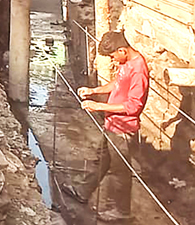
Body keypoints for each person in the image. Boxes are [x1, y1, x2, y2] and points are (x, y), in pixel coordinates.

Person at [61, 30, 150, 222]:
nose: (114, 61)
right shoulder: (126, 63)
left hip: (124, 129)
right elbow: (117, 84)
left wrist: (99, 106)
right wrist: (94, 91)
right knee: (100, 160)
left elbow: (134, 106)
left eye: (113, 56)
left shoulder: (139, 69)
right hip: (112, 124)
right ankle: (82, 191)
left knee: (120, 173)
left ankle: (121, 211)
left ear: (122, 50)